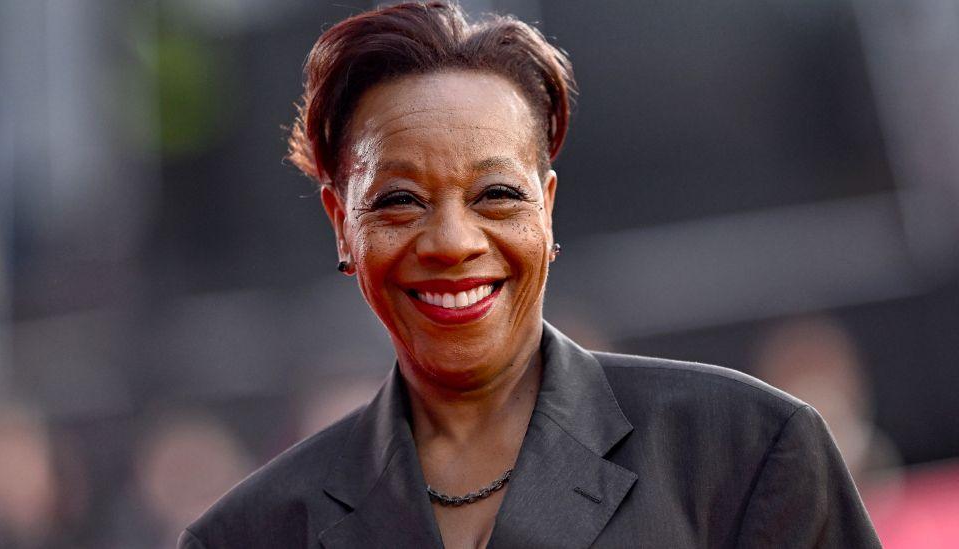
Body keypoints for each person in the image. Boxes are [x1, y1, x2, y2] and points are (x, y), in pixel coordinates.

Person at [179, 2, 880, 547]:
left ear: (545, 210)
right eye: (399, 201)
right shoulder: (252, 533)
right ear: (342, 224)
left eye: (495, 195)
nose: (453, 241)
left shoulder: (743, 454)